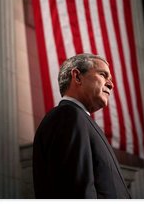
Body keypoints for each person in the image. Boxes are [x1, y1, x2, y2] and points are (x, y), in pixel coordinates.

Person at [33, 53, 131, 199]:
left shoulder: (79, 119)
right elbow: (76, 190)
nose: (111, 84)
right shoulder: (68, 116)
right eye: (103, 75)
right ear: (77, 77)